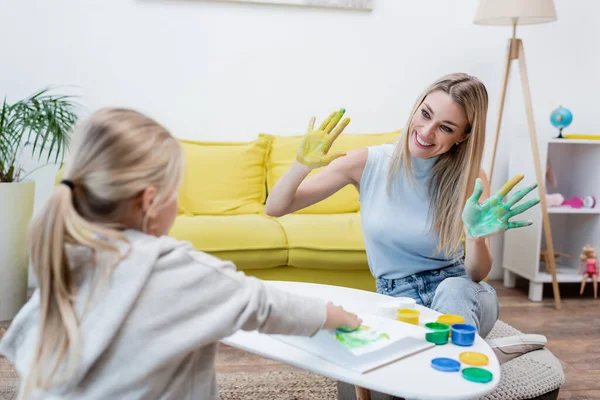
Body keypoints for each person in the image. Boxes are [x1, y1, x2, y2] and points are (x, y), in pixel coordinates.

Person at [0, 108, 361, 400]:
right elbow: (264, 305)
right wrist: (333, 315)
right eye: (177, 191)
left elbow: (22, 346)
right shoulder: (174, 268)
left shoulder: (64, 256)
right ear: (150, 202)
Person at [266, 72, 546, 362]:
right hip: (398, 298)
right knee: (385, 349)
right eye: (425, 114)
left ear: (462, 137)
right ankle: (486, 353)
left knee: (450, 300)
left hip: (460, 293)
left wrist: (475, 238)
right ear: (417, 107)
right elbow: (275, 207)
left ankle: (461, 359)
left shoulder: (470, 178)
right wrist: (301, 165)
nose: (426, 132)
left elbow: (476, 274)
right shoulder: (368, 162)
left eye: (445, 127)